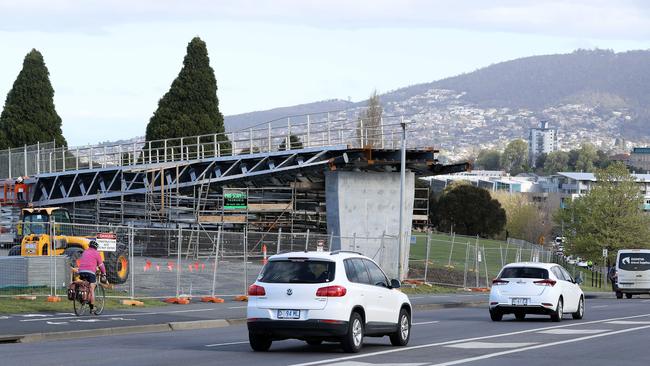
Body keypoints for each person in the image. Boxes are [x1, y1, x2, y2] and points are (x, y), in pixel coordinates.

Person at [77, 240, 107, 314]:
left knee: (85, 284)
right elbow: (101, 266)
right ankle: (92, 308)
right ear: (96, 247)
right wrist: (104, 274)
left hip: (81, 271)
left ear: (89, 245)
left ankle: (83, 299)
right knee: (92, 289)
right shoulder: (97, 253)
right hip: (90, 272)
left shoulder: (85, 252)